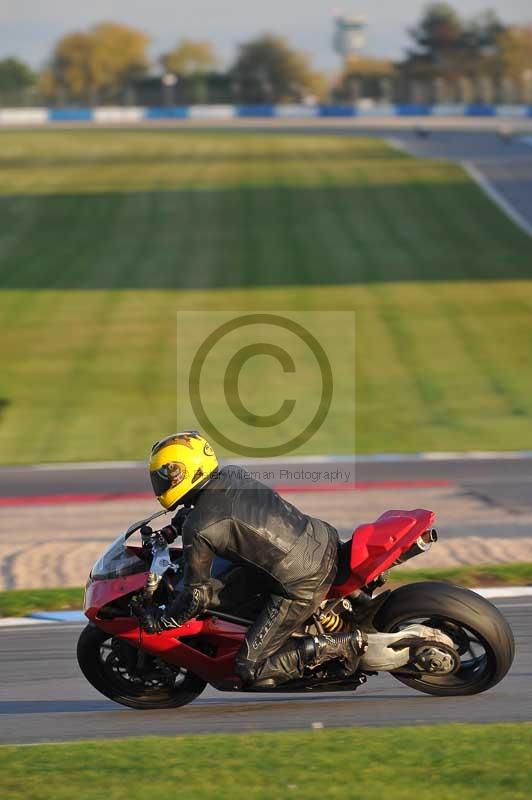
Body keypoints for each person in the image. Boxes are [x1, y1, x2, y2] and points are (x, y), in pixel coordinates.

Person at [145, 431, 366, 688]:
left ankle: (341, 643)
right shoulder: (231, 475)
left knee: (249, 668)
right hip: (321, 539)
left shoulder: (200, 527)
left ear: (181, 472)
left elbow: (196, 597)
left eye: (162, 476)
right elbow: (215, 511)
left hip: (302, 580)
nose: (159, 485)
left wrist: (164, 621)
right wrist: (173, 529)